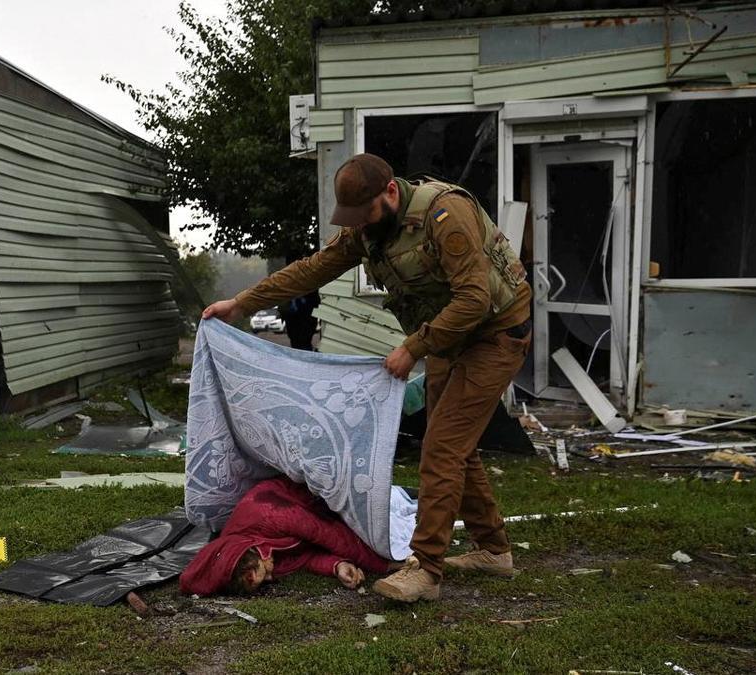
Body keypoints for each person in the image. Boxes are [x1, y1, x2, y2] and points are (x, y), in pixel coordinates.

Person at [202, 153, 532, 602]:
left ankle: (426, 570)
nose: (360, 225)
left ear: (391, 193)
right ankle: (493, 550)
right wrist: (242, 304)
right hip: (449, 338)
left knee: (442, 449)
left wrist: (413, 347)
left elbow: (474, 300)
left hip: (495, 332)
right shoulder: (367, 228)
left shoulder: (443, 214)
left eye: (367, 214)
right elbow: (313, 269)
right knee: (452, 444)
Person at [179, 476, 391, 596]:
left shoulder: (271, 516)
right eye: (266, 580)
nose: (272, 577)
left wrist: (383, 564)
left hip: (326, 493)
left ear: (257, 554)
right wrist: (337, 566)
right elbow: (303, 558)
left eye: (265, 574)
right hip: (324, 514)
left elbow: (332, 535)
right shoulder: (253, 551)